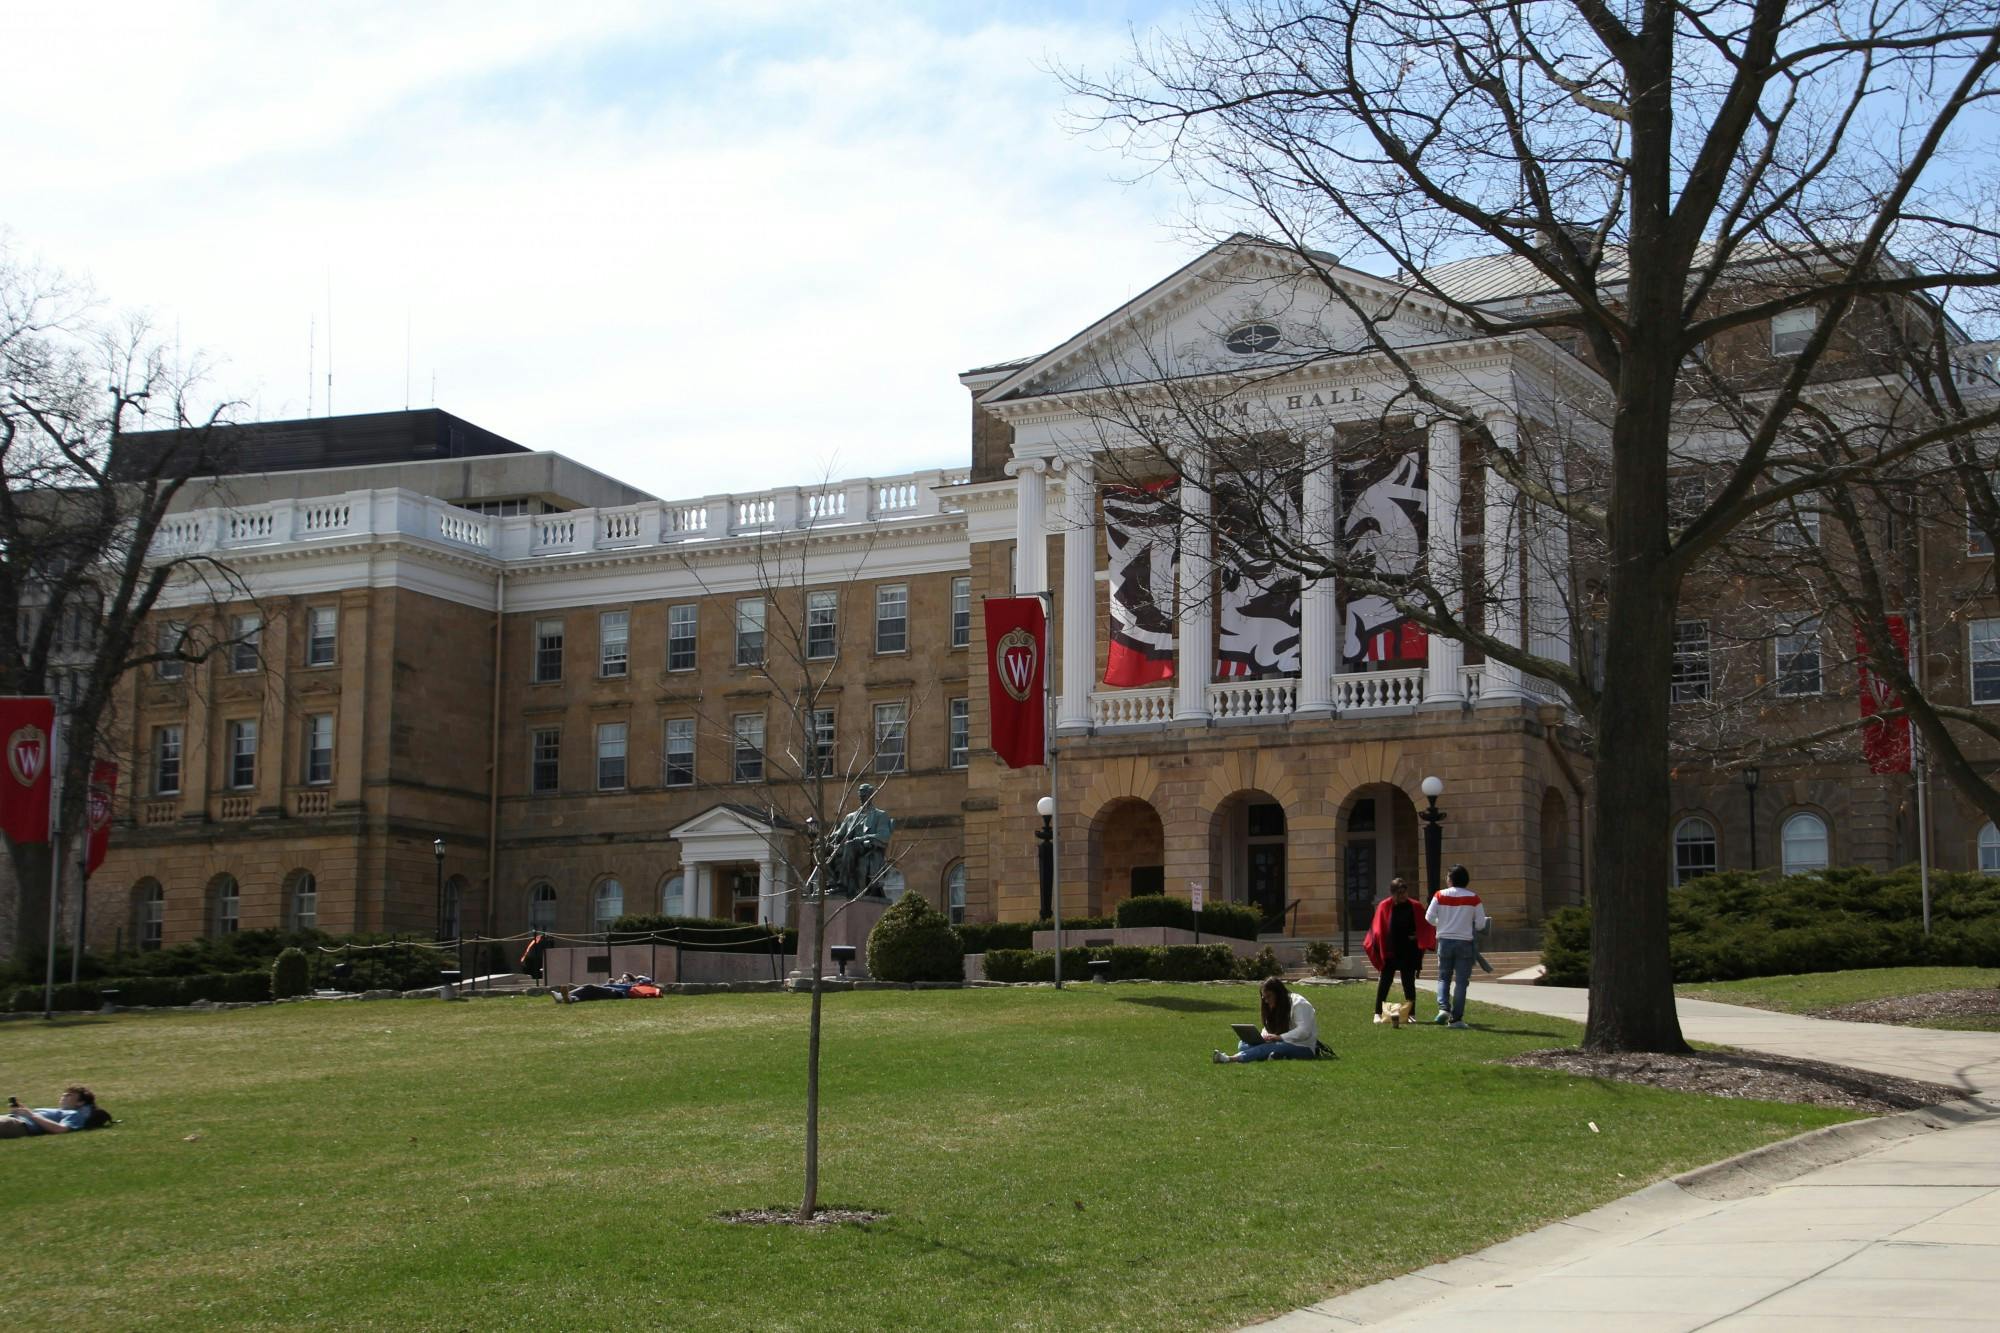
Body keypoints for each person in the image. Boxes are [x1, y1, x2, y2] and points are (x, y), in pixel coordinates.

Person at [1363, 877, 1435, 1020]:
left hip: (1409, 950)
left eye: (1404, 892)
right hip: (1390, 950)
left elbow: (1425, 926)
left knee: (1408, 983)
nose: (1402, 895)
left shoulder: (1415, 906)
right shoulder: (1384, 906)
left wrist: (1417, 936)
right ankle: (1377, 1013)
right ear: (1393, 893)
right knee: (1385, 981)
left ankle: (1411, 1014)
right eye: (1399, 893)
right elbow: (1378, 928)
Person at [1427, 865, 1489, 1028]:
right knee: (1461, 982)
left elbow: (1429, 917)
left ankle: (1443, 1008)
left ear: (1450, 879)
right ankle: (1456, 1019)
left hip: (1444, 940)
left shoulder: (1440, 895)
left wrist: (1441, 923)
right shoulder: (1474, 898)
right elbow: (1481, 924)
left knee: (1443, 977)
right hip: (1464, 942)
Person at [1213, 976, 1318, 1062]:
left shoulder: (1299, 1003)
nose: (1266, 1001)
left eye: (1269, 996)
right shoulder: (1274, 1007)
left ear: (1278, 994)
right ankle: (1276, 1056)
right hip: (1279, 1043)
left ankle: (1231, 1058)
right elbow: (1268, 1028)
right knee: (1243, 1044)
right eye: (1264, 998)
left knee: (1271, 1047)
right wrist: (1264, 1037)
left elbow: (1304, 1031)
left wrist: (1279, 1037)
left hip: (1303, 1047)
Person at [827, 783, 894, 897]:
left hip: (866, 848)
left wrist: (864, 838)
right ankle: (832, 883)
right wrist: (826, 839)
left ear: (871, 795)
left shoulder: (880, 815)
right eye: (861, 795)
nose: (862, 797)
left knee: (849, 845)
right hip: (847, 849)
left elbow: (883, 836)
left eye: (865, 794)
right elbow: (838, 835)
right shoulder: (851, 817)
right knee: (822, 849)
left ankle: (842, 885)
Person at [1, 1085, 107, 1138]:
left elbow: (60, 1129)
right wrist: (20, 1110)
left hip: (18, 1125)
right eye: (64, 1094)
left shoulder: (74, 1114)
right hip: (11, 1120)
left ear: (80, 1102)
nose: (63, 1096)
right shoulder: (59, 1111)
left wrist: (32, 1115)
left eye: (69, 1095)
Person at [551, 972, 655, 1003]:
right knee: (588, 995)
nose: (623, 979)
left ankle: (561, 996)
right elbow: (604, 987)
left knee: (589, 987)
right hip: (610, 991)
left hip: (617, 993)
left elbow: (648, 981)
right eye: (622, 977)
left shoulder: (632, 984)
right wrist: (609, 982)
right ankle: (570, 999)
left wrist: (638, 977)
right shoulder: (618, 982)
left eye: (625, 977)